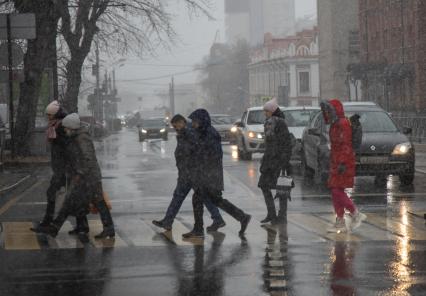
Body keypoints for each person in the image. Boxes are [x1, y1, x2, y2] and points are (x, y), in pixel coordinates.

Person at [39, 113, 115, 239]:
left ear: (72, 127)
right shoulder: (76, 136)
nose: (65, 130)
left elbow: (88, 157)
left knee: (91, 201)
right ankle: (105, 228)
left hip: (88, 177)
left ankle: (56, 228)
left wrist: (80, 172)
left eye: (66, 128)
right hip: (86, 176)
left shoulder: (81, 138)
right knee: (78, 201)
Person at [184, 109, 251, 238]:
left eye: (195, 121)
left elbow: (213, 155)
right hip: (206, 174)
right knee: (213, 199)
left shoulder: (210, 133)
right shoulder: (202, 132)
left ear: (202, 121)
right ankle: (242, 217)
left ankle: (199, 229)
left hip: (210, 174)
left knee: (204, 199)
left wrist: (201, 164)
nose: (193, 124)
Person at [152, 114, 225, 232]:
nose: (176, 128)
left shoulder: (189, 133)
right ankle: (217, 219)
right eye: (174, 127)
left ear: (182, 122)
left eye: (176, 126)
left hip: (191, 172)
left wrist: (188, 167)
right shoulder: (187, 132)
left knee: (181, 196)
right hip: (189, 172)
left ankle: (168, 221)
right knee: (196, 196)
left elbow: (192, 152)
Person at [320, 99, 366, 231]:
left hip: (343, 162)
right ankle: (340, 220)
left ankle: (355, 213)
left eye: (329, 111)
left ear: (335, 111)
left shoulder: (342, 124)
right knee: (336, 191)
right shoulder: (336, 124)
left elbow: (346, 145)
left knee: (336, 190)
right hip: (337, 161)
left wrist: (342, 162)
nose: (327, 114)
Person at [31, 101, 70, 233]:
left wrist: (62, 167)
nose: (48, 118)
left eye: (49, 115)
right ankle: (83, 225)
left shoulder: (61, 126)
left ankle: (48, 222)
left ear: (55, 114)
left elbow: (64, 147)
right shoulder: (57, 124)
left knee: (53, 193)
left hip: (63, 168)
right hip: (62, 167)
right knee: (74, 197)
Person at [258, 98, 293, 224]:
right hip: (269, 161)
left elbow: (286, 143)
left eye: (266, 111)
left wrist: (283, 160)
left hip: (278, 161)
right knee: (264, 186)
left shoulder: (280, 123)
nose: (265, 113)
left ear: (272, 111)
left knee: (282, 189)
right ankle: (272, 214)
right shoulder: (268, 123)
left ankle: (281, 216)